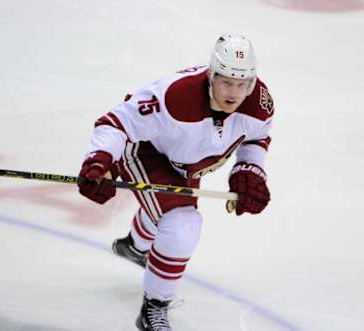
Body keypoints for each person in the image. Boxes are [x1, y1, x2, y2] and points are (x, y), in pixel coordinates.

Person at [77, 33, 273, 331]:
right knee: (183, 224)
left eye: (242, 84)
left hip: (184, 163)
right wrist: (100, 160)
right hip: (146, 152)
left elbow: (257, 138)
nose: (234, 92)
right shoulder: (175, 95)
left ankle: (136, 246)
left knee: (166, 213)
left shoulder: (258, 103)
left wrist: (249, 170)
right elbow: (117, 122)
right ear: (211, 75)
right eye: (226, 82)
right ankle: (154, 306)